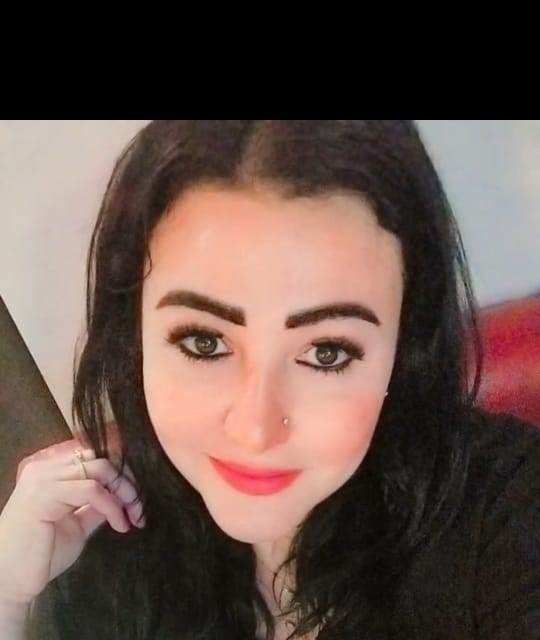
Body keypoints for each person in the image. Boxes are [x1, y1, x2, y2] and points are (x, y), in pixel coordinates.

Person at [0, 120, 538, 640]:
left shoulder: (509, 518)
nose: (255, 430)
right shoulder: (101, 547)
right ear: (133, 335)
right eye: (204, 343)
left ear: (404, 343)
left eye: (326, 353)